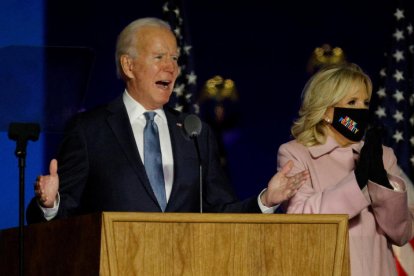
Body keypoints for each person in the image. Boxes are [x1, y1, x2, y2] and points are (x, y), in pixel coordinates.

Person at [26, 17, 309, 223]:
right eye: (159, 56)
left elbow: (221, 212)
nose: (171, 67)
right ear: (129, 65)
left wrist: (265, 201)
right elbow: (62, 217)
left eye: (174, 58)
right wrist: (50, 204)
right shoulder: (89, 130)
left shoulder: (195, 132)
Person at [277, 63, 414, 276]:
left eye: (365, 103)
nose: (361, 110)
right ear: (326, 112)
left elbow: (401, 233)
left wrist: (380, 182)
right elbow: (301, 220)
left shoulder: (383, 155)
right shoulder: (296, 154)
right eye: (352, 102)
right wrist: (357, 181)